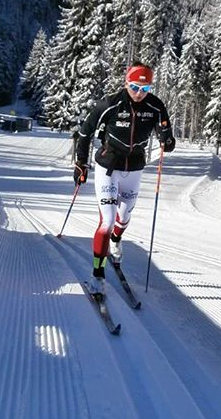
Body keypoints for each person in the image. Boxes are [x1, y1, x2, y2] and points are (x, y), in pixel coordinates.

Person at [74, 62, 176, 295]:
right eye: (134, 86)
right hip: (108, 168)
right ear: (126, 83)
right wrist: (80, 163)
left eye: (145, 88)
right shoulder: (110, 103)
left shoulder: (155, 106)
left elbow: (165, 133)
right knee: (107, 221)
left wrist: (167, 141)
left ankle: (116, 241)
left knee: (124, 217)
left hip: (135, 168)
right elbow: (85, 132)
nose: (139, 93)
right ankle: (97, 275)